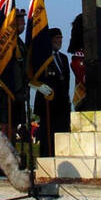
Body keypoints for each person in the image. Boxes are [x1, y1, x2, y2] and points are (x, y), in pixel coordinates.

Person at [34, 28, 71, 158]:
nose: (59, 41)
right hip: (47, 103)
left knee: (62, 133)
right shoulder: (42, 58)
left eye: (60, 38)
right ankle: (46, 158)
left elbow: (66, 80)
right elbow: (34, 77)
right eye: (56, 38)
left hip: (61, 103)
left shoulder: (64, 58)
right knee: (47, 135)